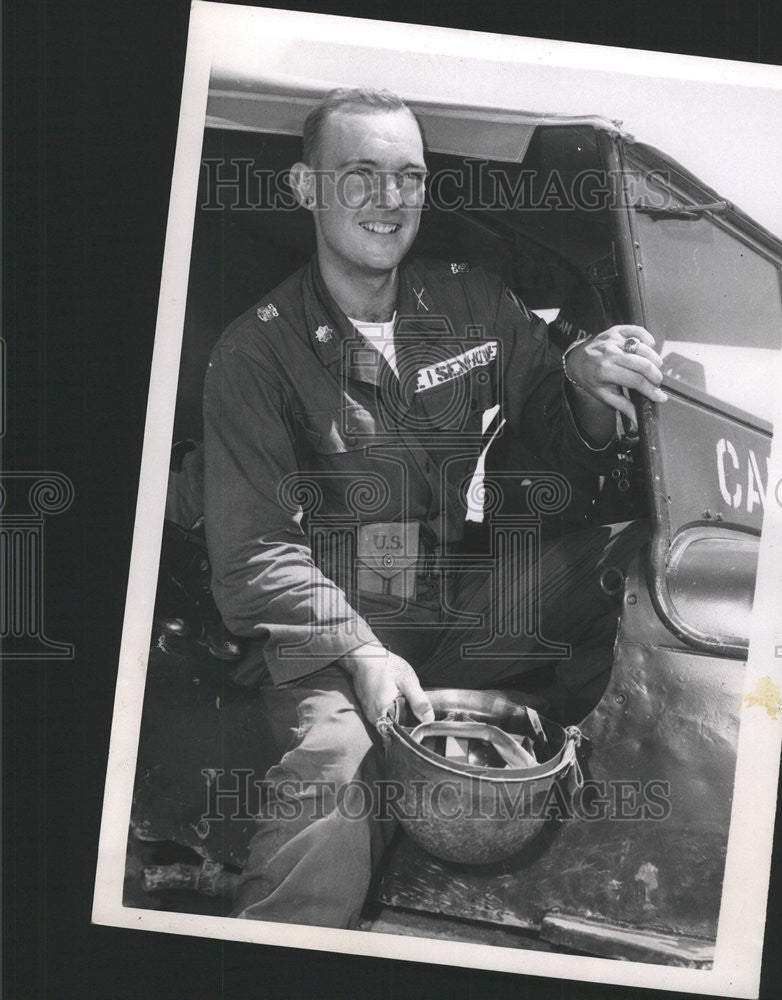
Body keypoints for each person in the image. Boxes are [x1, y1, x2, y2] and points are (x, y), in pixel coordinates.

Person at [203, 88, 667, 928]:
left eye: (408, 177)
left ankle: (521, 750)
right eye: (361, 175)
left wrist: (589, 384)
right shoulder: (255, 352)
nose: (390, 200)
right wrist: (362, 654)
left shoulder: (473, 301)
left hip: (454, 596)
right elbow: (253, 553)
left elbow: (563, 433)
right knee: (338, 769)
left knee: (629, 553)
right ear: (306, 188)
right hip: (334, 626)